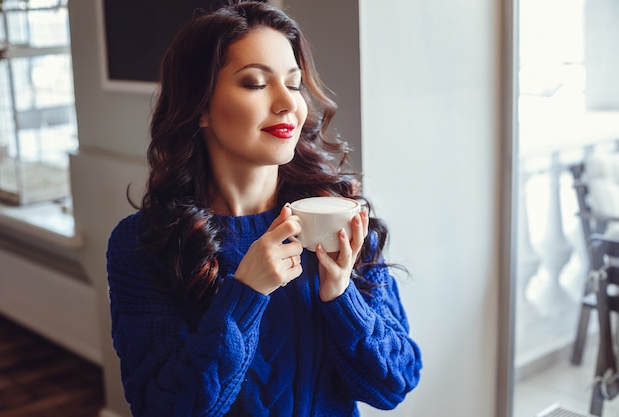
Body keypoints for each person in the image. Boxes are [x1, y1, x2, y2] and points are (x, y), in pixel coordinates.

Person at [106, 1, 422, 416]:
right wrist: (246, 293)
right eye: (256, 83)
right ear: (199, 107)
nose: (287, 102)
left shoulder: (338, 216)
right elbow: (162, 407)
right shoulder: (142, 243)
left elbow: (395, 384)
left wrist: (342, 296)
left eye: (293, 84)